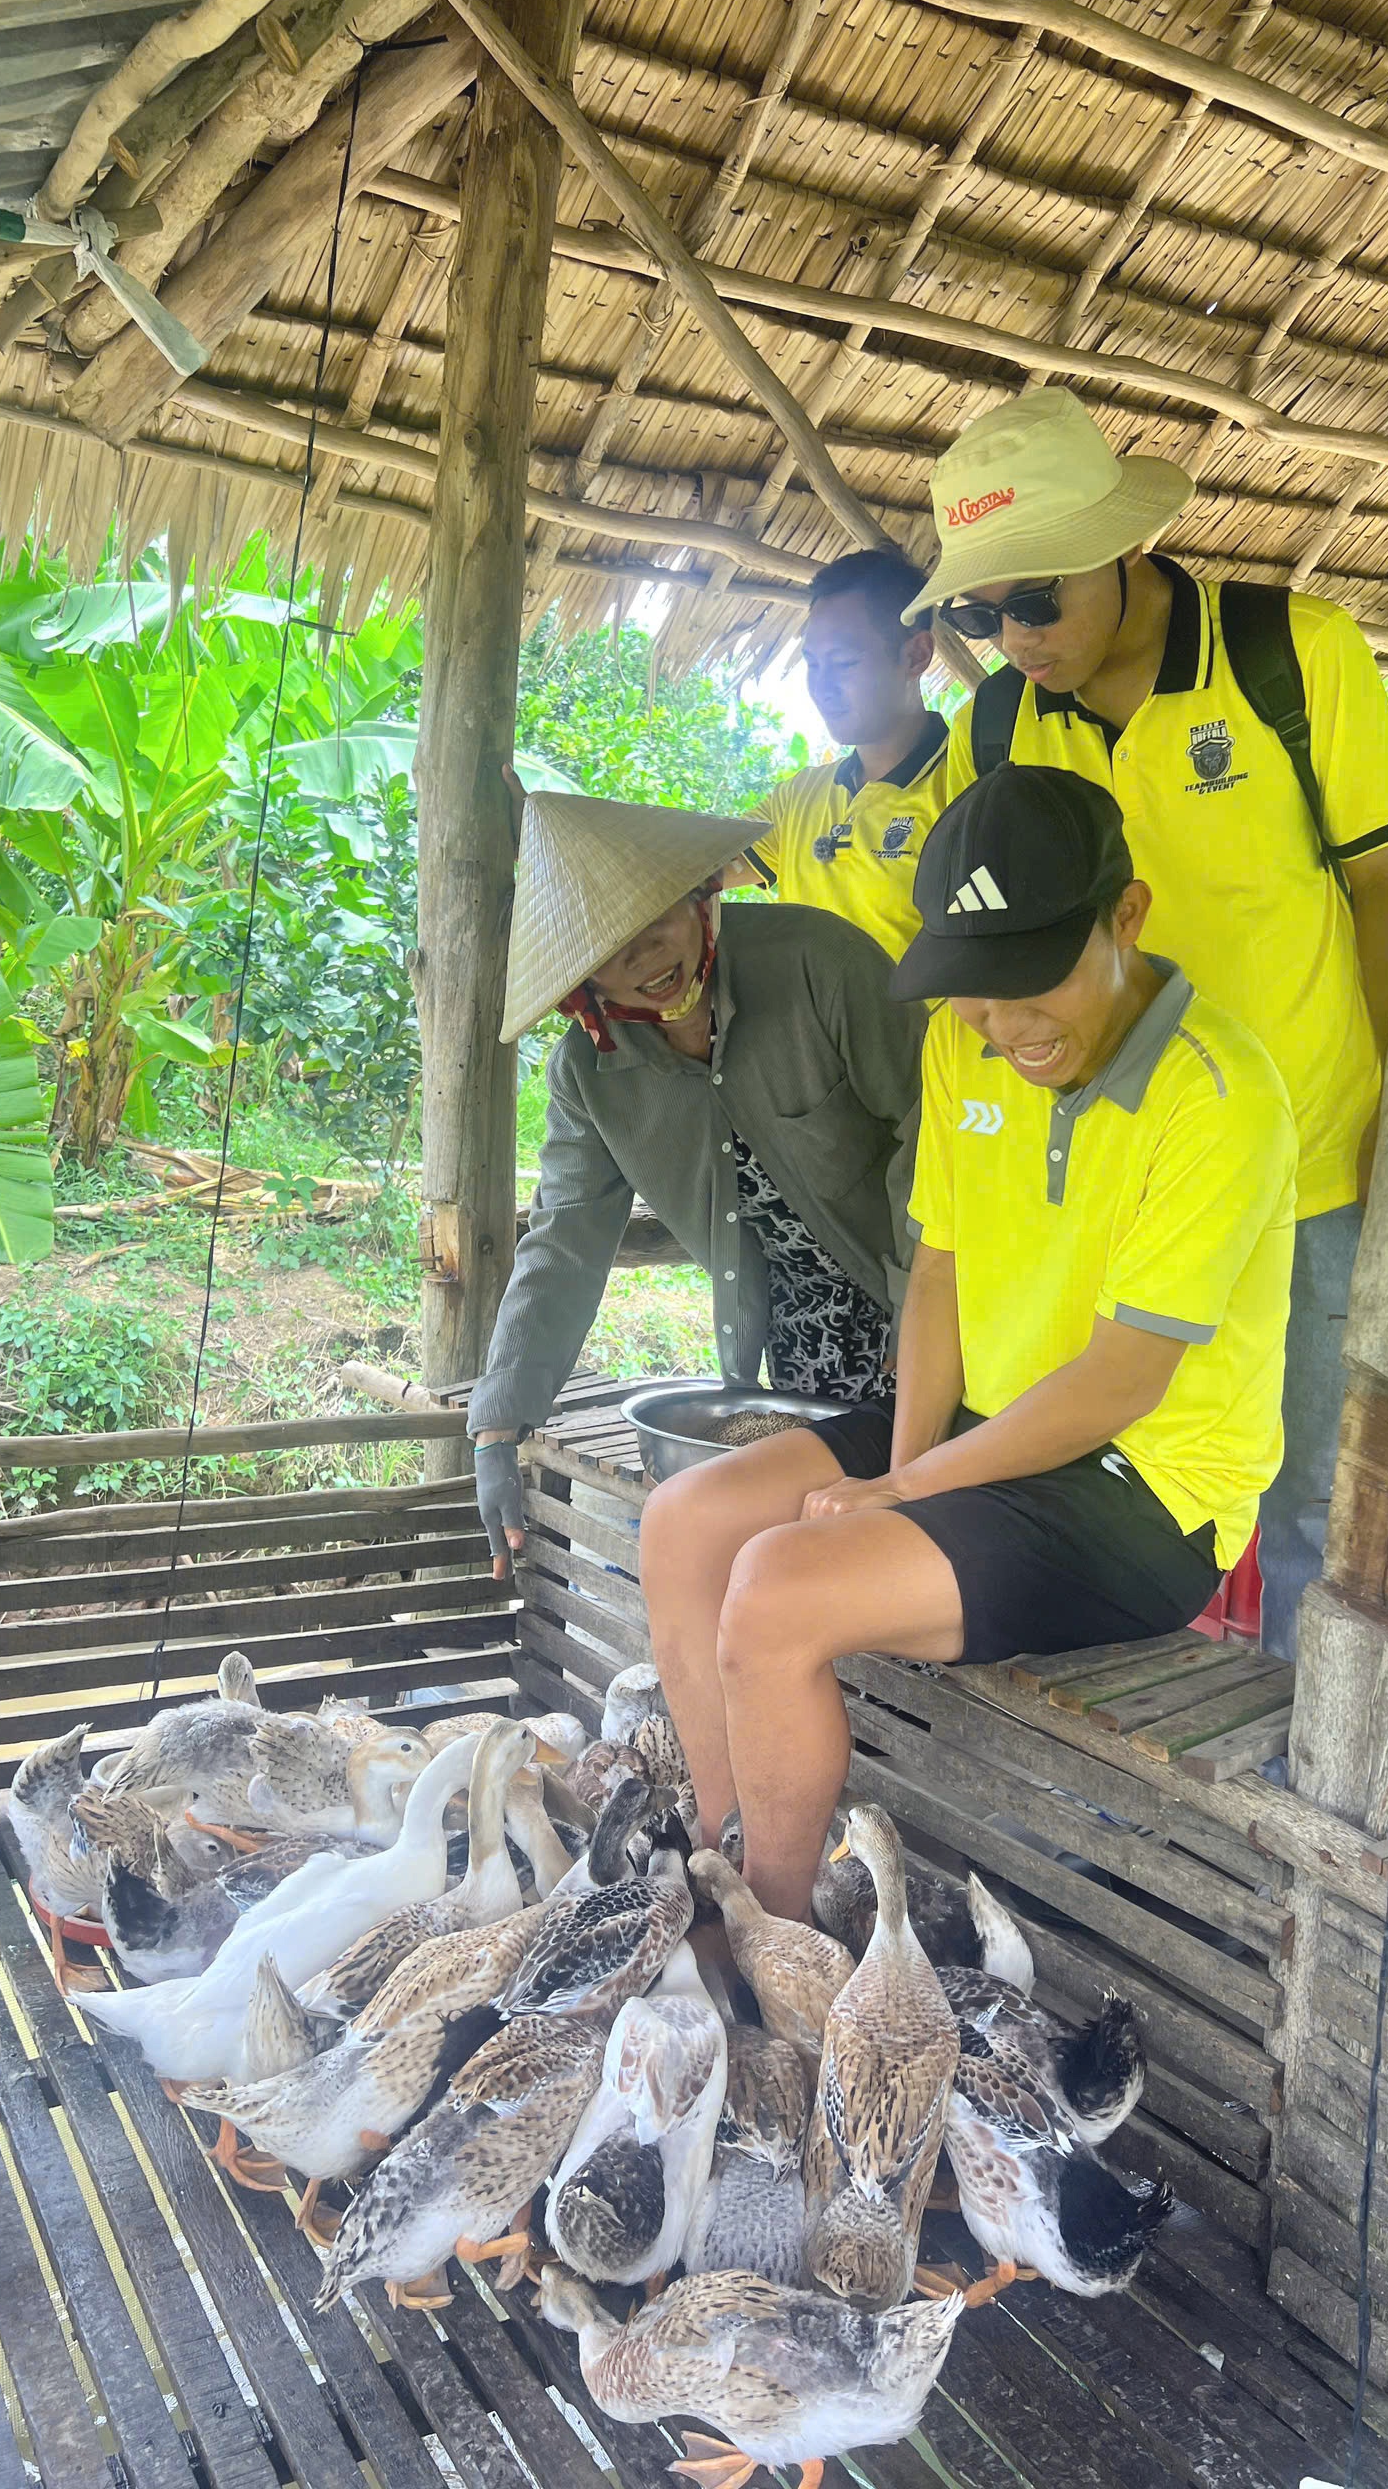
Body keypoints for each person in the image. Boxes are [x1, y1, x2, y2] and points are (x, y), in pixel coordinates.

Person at [639, 765, 1296, 1922]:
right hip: (982, 1430)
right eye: (973, 994)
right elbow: (937, 1270)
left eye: (1026, 985)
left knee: (777, 1590)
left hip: (1142, 1485)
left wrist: (905, 1491)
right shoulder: (968, 1041)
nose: (1002, 1028)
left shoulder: (1218, 1095)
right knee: (684, 1520)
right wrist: (902, 1467)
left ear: (1125, 917)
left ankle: (769, 1932)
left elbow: (1118, 1380)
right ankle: (716, 1839)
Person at [915, 387, 1388, 1662]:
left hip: (1304, 1163)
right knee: (1090, 1491)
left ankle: (1289, 1777)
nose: (1014, 636)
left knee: (1304, 1490)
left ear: (1125, 549)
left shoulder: (1293, 659)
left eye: (1039, 597)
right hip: (1102, 1185)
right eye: (982, 610)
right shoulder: (997, 730)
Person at [468, 789, 924, 1575]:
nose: (647, 959)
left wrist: (924, 1304)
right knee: (826, 1543)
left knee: (923, 1520)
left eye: (658, 924)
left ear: (702, 896)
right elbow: (565, 1239)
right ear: (583, 985)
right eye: (613, 953)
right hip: (794, 1332)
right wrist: (498, 1425)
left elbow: (936, 1131)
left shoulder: (820, 963)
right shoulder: (589, 1071)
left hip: (929, 1295)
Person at [733, 548, 950, 956]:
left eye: (844, 663)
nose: (822, 687)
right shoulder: (797, 800)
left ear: (917, 655)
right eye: (813, 664)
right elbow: (694, 869)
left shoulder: (965, 789)